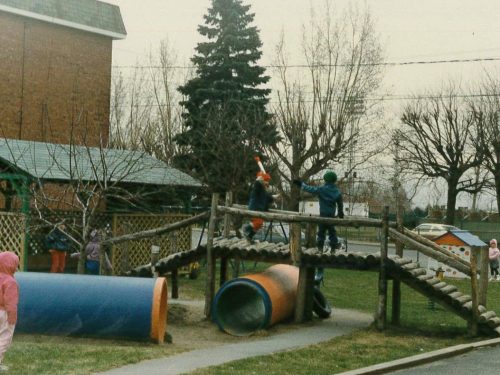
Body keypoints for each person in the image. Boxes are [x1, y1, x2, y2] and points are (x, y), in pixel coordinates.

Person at [293, 170, 344, 282]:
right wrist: (341, 214)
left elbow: (310, 189)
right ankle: (333, 247)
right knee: (332, 232)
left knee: (321, 233)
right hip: (330, 217)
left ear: (325, 180)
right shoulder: (337, 192)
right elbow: (340, 205)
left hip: (322, 216)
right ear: (334, 181)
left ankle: (320, 248)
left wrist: (301, 184)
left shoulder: (322, 189)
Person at [243, 171, 278, 243]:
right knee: (258, 222)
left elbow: (268, 198)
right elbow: (257, 183)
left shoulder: (263, 190)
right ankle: (246, 228)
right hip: (254, 208)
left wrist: (274, 197)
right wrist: (260, 178)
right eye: (266, 181)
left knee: (259, 224)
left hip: (259, 209)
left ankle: (249, 236)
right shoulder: (258, 187)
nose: (267, 183)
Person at [0, 252, 19, 372]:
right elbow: (11, 303)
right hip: (4, 314)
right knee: (4, 338)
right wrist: (12, 317)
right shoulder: (10, 282)